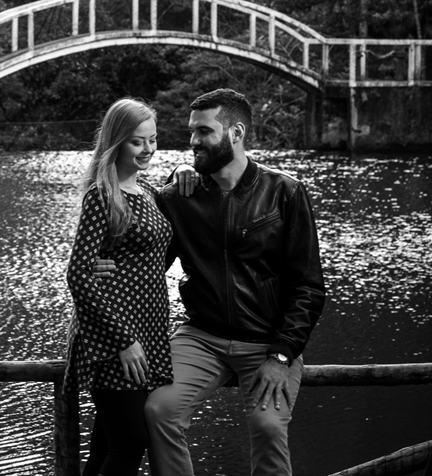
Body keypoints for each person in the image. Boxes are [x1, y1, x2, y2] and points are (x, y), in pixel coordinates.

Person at [101, 88, 326, 476]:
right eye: (192, 131)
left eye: (204, 132)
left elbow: (308, 285)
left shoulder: (285, 192)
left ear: (235, 133)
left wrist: (282, 354)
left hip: (268, 339)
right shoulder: (179, 197)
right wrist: (100, 267)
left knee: (268, 426)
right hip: (201, 336)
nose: (192, 141)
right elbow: (146, 258)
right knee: (159, 411)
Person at [63, 98, 173, 476]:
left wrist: (186, 170)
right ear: (117, 141)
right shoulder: (102, 195)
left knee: (108, 446)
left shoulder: (151, 194)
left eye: (153, 140)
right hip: (115, 340)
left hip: (148, 332)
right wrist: (123, 340)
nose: (148, 150)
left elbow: (152, 255)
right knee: (130, 443)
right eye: (137, 142)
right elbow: (78, 274)